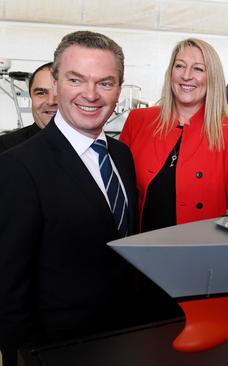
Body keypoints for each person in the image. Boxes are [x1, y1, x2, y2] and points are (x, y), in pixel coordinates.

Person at [0, 31, 140, 366]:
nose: (90, 94)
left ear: (119, 89)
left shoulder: (121, 155)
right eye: (76, 80)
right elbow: (8, 287)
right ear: (58, 82)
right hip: (58, 351)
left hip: (123, 338)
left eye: (105, 83)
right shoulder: (19, 166)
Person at [120, 38, 228, 233]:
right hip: (140, 249)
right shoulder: (139, 120)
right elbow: (120, 194)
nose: (186, 76)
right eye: (180, 66)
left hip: (200, 252)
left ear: (212, 77)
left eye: (198, 69)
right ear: (170, 73)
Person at [0, 62, 58, 152]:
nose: (51, 101)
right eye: (41, 93)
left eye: (60, 93)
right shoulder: (5, 148)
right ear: (31, 97)